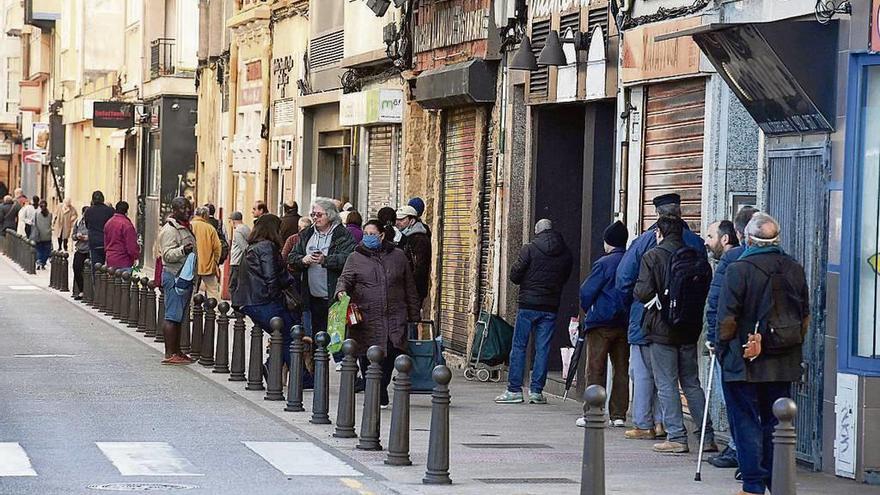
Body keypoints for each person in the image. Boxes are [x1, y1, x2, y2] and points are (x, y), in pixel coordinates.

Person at [716, 213, 809, 495]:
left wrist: (723, 350)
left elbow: (727, 319)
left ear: (747, 238)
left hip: (745, 358)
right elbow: (804, 315)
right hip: (783, 357)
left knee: (745, 421)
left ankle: (753, 484)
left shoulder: (739, 269)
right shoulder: (794, 268)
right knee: (775, 423)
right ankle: (776, 481)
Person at [616, 193, 706, 440]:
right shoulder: (696, 243)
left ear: (658, 216)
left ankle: (648, 423)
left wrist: (632, 309)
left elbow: (625, 280)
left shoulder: (646, 242)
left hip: (650, 318)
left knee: (646, 371)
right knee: (689, 380)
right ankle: (688, 430)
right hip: (688, 321)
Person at [633, 215, 716, 454]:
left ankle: (677, 436)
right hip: (690, 329)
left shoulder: (653, 256)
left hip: (662, 330)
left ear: (659, 233)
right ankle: (706, 437)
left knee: (666, 382)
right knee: (692, 383)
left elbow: (642, 290)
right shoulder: (697, 257)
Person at [336, 219, 420, 407]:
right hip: (366, 318)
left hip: (394, 316)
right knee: (367, 357)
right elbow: (345, 278)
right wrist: (341, 291)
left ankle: (380, 388)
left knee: (391, 354)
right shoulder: (355, 257)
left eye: (372, 234)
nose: (368, 237)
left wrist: (414, 315)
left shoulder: (398, 256)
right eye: (365, 234)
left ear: (382, 235)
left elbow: (409, 287)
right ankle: (374, 392)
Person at [496, 219, 573, 405]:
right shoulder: (565, 252)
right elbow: (565, 277)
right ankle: (536, 391)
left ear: (537, 231)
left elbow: (515, 275)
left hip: (528, 305)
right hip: (550, 306)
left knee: (519, 346)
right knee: (543, 349)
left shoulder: (529, 248)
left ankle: (514, 390)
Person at [705, 208, 757, 470]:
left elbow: (718, 303)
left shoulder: (732, 259)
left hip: (734, 343)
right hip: (764, 343)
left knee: (735, 399)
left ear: (737, 233)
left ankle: (740, 450)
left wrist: (715, 339)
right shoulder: (783, 260)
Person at [576, 220, 630, 428]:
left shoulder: (604, 263)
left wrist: (587, 308)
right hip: (624, 323)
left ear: (608, 243)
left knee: (595, 368)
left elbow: (586, 291)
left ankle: (593, 411)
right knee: (621, 369)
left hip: (600, 323)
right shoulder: (630, 260)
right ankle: (619, 415)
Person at [232, 213, 298, 371]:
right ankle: (298, 375)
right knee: (289, 334)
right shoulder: (267, 247)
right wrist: (276, 298)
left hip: (250, 300)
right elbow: (270, 276)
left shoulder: (253, 246)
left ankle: (272, 368)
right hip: (262, 300)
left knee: (282, 335)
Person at [288, 198, 356, 341]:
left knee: (337, 339)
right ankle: (317, 362)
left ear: (330, 215)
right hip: (311, 296)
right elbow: (291, 257)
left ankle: (339, 362)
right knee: (316, 338)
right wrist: (303, 260)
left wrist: (325, 260)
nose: (315, 218)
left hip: (334, 296)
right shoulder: (307, 233)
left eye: (319, 214)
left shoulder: (343, 235)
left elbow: (349, 260)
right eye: (313, 214)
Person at [157, 197, 197, 365]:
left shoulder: (185, 228)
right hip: (174, 276)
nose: (187, 211)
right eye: (183, 208)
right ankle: (169, 353)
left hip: (184, 277)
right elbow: (167, 255)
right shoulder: (170, 230)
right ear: (174, 210)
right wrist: (183, 250)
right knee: (172, 316)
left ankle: (177, 350)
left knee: (179, 316)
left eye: (189, 208)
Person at [396, 204, 432, 306]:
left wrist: (410, 287)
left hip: (413, 290)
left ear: (411, 221)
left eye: (402, 219)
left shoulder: (419, 239)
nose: (398, 223)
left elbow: (420, 267)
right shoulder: (404, 236)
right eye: (397, 219)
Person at [191, 206, 222, 299]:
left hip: (192, 264)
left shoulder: (190, 225)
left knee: (191, 289)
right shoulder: (210, 228)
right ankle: (215, 311)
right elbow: (217, 247)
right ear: (205, 215)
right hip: (207, 264)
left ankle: (190, 310)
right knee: (213, 290)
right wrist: (215, 261)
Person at [103, 201, 140, 272]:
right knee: (124, 282)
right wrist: (135, 256)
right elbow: (131, 245)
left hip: (110, 259)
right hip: (124, 261)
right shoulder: (127, 225)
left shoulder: (108, 223)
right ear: (126, 212)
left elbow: (106, 242)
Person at [83, 190, 116, 267]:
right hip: (108, 242)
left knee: (96, 267)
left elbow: (87, 226)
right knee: (110, 268)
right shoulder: (110, 211)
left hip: (94, 242)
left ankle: (96, 278)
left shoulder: (88, 211)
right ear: (103, 199)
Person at [228, 211, 251, 295]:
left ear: (233, 221)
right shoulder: (247, 228)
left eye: (230, 221)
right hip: (243, 263)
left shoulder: (238, 231)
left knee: (233, 286)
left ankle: (235, 305)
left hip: (236, 263)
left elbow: (244, 247)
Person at [71, 206, 89, 299]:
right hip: (80, 249)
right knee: (76, 268)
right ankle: (81, 290)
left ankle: (89, 292)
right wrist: (77, 236)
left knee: (89, 271)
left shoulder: (92, 222)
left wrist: (87, 237)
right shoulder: (78, 222)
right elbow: (73, 236)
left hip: (89, 250)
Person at [31, 200, 53, 270]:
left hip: (39, 235)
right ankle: (43, 263)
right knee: (46, 250)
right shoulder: (50, 214)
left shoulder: (36, 214)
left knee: (39, 249)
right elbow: (50, 223)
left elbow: (33, 223)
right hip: (47, 235)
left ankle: (39, 261)